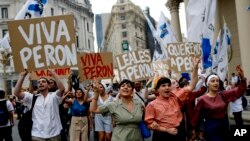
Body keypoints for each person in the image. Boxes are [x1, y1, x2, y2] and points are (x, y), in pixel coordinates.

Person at [144, 57, 200, 141]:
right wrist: (165, 129)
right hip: (162, 136)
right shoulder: (152, 105)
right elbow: (149, 124)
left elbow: (192, 85)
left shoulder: (176, 97)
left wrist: (195, 67)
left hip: (179, 133)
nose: (167, 87)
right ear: (157, 90)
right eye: (163, 86)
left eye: (168, 85)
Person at [191, 65, 247, 141]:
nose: (216, 83)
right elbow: (196, 116)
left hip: (224, 125)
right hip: (211, 127)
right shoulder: (202, 99)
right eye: (213, 81)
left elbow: (239, 91)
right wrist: (194, 129)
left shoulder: (224, 94)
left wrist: (242, 78)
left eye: (217, 81)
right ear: (208, 84)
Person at [14, 69, 65, 141]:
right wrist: (22, 76)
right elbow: (16, 93)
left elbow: (62, 89)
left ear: (49, 86)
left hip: (54, 134)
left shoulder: (54, 96)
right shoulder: (32, 98)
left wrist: (53, 73)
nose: (40, 83)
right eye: (38, 82)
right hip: (37, 135)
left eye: (43, 81)